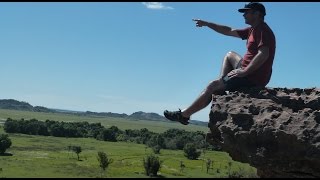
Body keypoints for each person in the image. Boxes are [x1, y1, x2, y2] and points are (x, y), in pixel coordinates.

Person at [164, 2, 276, 125]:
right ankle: (223, 83)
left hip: (252, 76)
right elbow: (229, 30)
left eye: (247, 12)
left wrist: (244, 72)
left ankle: (184, 115)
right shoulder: (253, 29)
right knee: (230, 54)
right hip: (247, 69)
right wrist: (207, 24)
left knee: (212, 86)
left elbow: (263, 54)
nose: (243, 15)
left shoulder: (263, 30)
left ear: (257, 14)